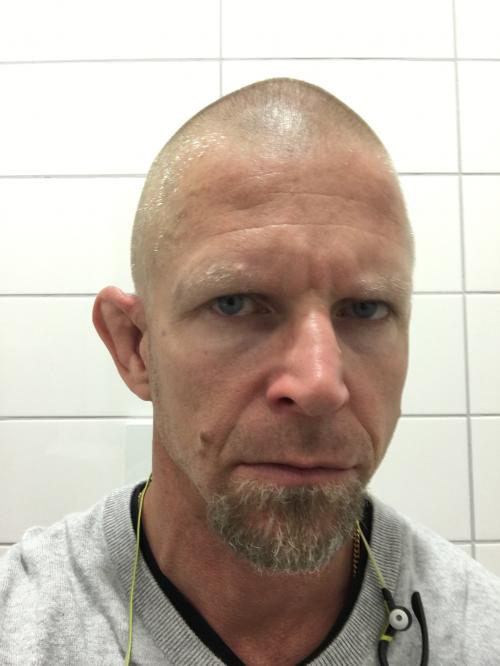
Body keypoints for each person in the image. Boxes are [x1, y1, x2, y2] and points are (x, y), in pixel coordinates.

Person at [1, 78, 499, 666]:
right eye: (235, 303)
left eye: (366, 309)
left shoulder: (478, 630)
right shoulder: (23, 627)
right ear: (135, 347)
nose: (319, 384)